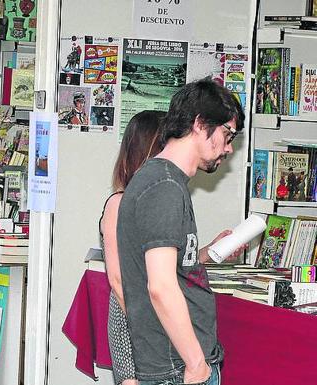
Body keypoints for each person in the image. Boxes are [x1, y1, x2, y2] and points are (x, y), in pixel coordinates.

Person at [117, 79, 247, 385]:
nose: (228, 149)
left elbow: (174, 269)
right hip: (177, 368)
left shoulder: (163, 181)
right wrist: (196, 364)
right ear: (201, 124)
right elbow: (160, 286)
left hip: (175, 365)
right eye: (227, 135)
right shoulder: (163, 185)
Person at [100, 110, 165, 385]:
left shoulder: (162, 201)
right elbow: (118, 280)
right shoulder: (119, 203)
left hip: (157, 325)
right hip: (134, 325)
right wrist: (149, 331)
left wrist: (209, 251)